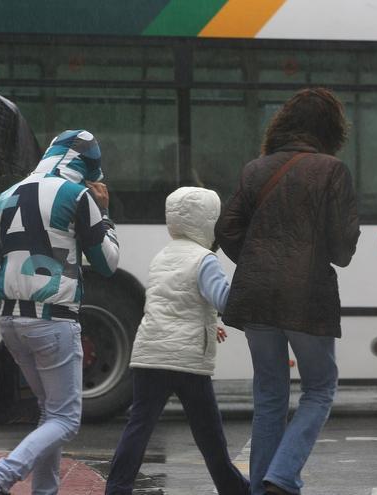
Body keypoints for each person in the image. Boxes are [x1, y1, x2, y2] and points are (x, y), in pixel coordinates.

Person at [214, 87, 360, 495]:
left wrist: (259, 257)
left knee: (269, 395)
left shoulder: (255, 169)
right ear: (330, 129)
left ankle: (262, 487)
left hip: (256, 297)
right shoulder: (332, 171)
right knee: (319, 387)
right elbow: (342, 249)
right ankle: (281, 476)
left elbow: (226, 228)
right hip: (307, 299)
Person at [0, 129, 120, 495]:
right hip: (54, 320)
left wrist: (11, 295)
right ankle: (2, 475)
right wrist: (104, 213)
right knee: (66, 419)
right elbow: (108, 263)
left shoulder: (7, 196)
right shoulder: (78, 195)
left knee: (50, 412)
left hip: (10, 322)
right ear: (86, 166)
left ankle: (45, 491)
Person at [104, 186, 249, 495]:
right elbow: (223, 301)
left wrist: (209, 324)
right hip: (186, 362)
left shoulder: (162, 256)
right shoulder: (204, 260)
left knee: (139, 427)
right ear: (208, 221)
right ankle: (233, 487)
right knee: (209, 434)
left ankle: (117, 488)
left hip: (150, 354)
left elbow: (174, 303)